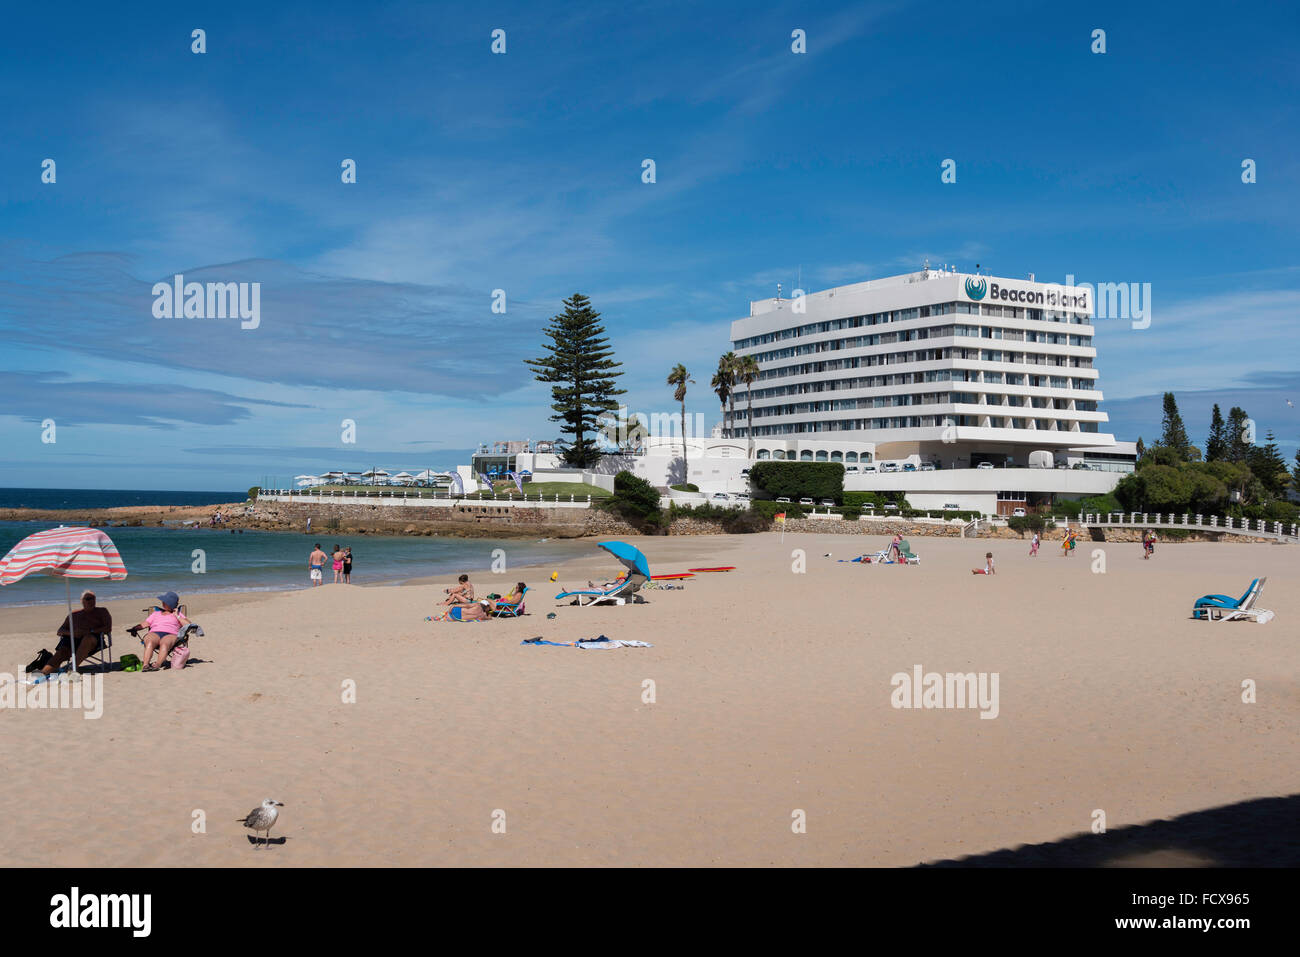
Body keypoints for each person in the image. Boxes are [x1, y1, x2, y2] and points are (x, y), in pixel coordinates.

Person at [39, 590, 112, 677]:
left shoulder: (102, 611)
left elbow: (108, 628)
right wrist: (72, 633)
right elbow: (60, 631)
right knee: (61, 652)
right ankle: (43, 674)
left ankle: (72, 668)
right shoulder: (74, 614)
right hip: (73, 641)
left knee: (88, 638)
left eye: (93, 598)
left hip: (93, 641)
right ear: (82, 601)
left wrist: (90, 631)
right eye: (88, 599)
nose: (91, 601)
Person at [136, 591, 189, 672]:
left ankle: (157, 664)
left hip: (171, 634)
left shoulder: (178, 614)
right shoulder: (156, 613)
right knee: (149, 641)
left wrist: (177, 616)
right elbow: (146, 623)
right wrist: (134, 628)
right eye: (163, 601)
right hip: (155, 633)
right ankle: (146, 665)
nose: (163, 603)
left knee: (165, 643)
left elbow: (188, 624)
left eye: (165, 602)